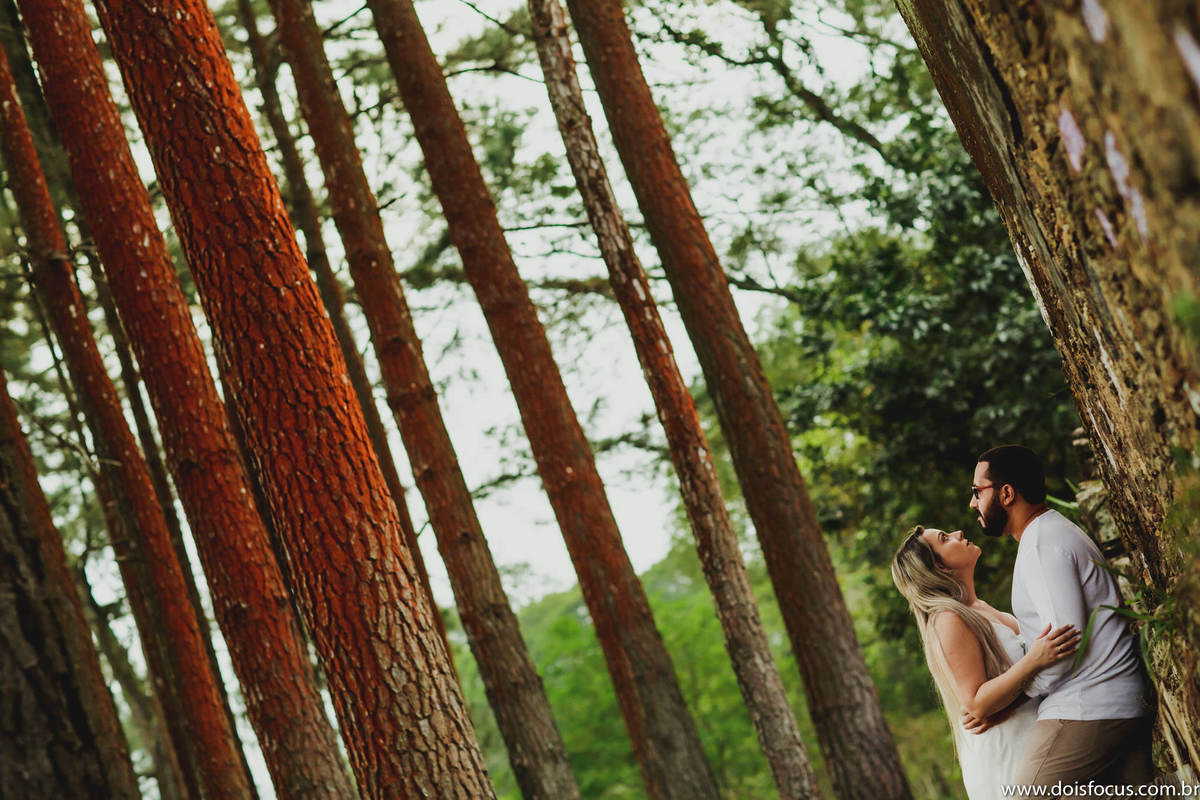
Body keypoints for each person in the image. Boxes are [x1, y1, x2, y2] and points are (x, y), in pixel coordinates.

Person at [970, 445, 1153, 791]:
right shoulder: (1045, 535)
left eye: (977, 492)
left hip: (1089, 705)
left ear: (1006, 493)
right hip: (1105, 701)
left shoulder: (1042, 543)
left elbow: (1063, 645)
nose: (973, 503)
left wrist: (1017, 697)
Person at [892, 524, 1079, 799]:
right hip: (1009, 757)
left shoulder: (978, 608)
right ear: (940, 568)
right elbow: (977, 703)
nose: (957, 533)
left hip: (1036, 744)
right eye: (945, 539)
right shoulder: (948, 620)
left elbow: (1015, 688)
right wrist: (1035, 659)